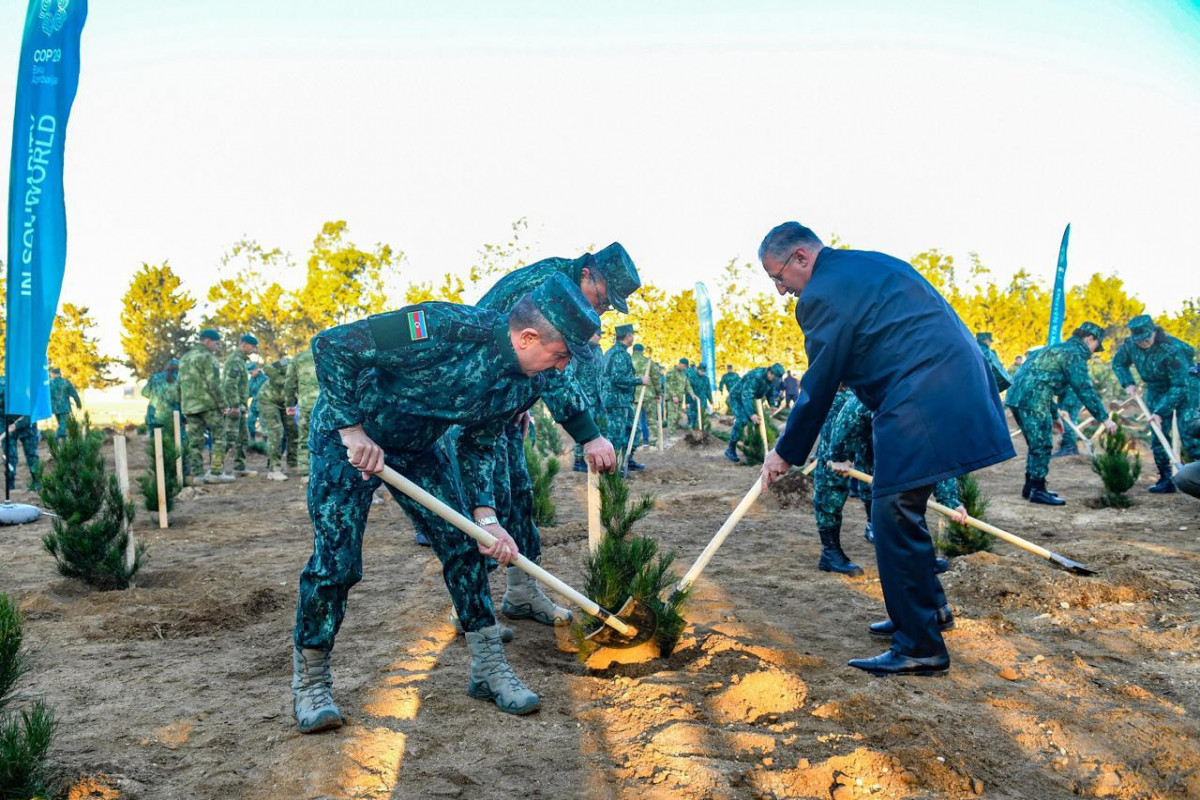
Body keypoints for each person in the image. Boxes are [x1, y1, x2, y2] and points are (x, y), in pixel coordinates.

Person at [291, 274, 601, 732]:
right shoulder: (440, 326)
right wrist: (351, 428)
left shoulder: (524, 382)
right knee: (337, 563)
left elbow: (479, 444)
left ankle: (489, 668)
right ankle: (311, 682)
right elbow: (333, 345)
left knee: (465, 546)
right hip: (347, 443)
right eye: (559, 355)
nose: (561, 367)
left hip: (417, 450)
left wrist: (487, 517)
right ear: (528, 337)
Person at [757, 221, 1015, 677]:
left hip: (924, 395)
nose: (781, 291)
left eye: (779, 277)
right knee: (904, 507)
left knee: (891, 512)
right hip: (949, 382)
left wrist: (786, 451)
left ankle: (919, 645)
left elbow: (817, 385)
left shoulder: (822, 294)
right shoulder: (866, 265)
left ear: (801, 258)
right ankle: (927, 612)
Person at [1006, 323, 1117, 504]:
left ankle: (1031, 486)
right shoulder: (1074, 354)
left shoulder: (1058, 348)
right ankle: (1038, 490)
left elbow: (1040, 381)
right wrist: (1105, 419)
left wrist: (1055, 415)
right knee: (1042, 444)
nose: (1094, 350)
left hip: (1016, 396)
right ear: (1090, 339)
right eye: (1096, 345)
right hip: (1034, 399)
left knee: (1036, 443)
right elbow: (1084, 389)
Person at [1112, 314, 1199, 493]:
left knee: (1189, 431)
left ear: (1154, 332)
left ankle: (1195, 476)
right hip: (1156, 387)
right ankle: (1166, 479)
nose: (1143, 343)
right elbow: (1118, 363)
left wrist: (1160, 411)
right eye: (1139, 340)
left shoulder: (1171, 350)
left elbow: (1179, 386)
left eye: (1146, 339)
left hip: (1185, 385)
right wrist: (1128, 382)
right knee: (1158, 432)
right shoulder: (1130, 346)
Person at [179, 330, 235, 484]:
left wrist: (182, 404)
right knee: (219, 437)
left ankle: (198, 475)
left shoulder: (185, 358)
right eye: (216, 343)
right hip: (208, 405)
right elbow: (214, 383)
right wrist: (223, 404)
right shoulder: (208, 357)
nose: (217, 347)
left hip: (190, 406)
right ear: (208, 341)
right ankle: (216, 472)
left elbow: (180, 383)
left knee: (195, 441)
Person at [602, 324, 650, 474]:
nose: (633, 338)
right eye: (632, 335)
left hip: (623, 400)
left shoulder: (615, 352)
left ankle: (627, 460)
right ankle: (614, 469)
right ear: (628, 336)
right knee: (616, 435)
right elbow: (618, 379)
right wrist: (639, 380)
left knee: (633, 429)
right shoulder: (619, 354)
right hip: (616, 401)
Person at [724, 363, 784, 463]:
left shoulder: (772, 379)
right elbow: (746, 396)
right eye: (774, 378)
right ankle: (730, 448)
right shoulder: (756, 376)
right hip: (737, 398)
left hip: (752, 399)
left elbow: (770, 391)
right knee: (742, 420)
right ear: (770, 372)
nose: (775, 381)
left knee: (758, 421)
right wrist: (751, 414)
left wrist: (772, 404)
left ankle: (756, 447)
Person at [219, 334, 258, 478]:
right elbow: (229, 384)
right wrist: (234, 405)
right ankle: (216, 469)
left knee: (242, 438)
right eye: (252, 346)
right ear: (244, 345)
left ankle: (239, 468)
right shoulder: (234, 360)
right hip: (233, 407)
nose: (254, 349)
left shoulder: (241, 361)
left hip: (240, 406)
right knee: (229, 438)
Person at [566, 333, 606, 473]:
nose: (599, 337)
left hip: (597, 397)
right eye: (597, 334)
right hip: (584, 396)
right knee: (584, 428)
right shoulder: (579, 350)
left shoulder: (599, 351)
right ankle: (578, 460)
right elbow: (572, 374)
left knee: (596, 427)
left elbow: (601, 374)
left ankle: (592, 459)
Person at [258, 357, 294, 481]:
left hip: (286, 403)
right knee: (276, 432)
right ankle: (274, 469)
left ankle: (293, 464)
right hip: (268, 400)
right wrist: (282, 381)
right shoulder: (289, 362)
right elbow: (267, 368)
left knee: (294, 431)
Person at [285, 347, 319, 477]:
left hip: (306, 404)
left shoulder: (298, 358)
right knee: (330, 438)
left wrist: (289, 403)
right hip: (326, 404)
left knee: (305, 437)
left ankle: (305, 473)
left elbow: (290, 382)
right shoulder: (330, 353)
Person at [630, 343, 662, 449]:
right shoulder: (648, 362)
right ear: (642, 351)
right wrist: (658, 393)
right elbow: (656, 379)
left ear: (633, 350)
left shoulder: (628, 360)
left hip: (634, 395)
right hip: (649, 395)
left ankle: (637, 443)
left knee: (636, 420)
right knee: (651, 420)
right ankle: (652, 443)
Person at [141, 359, 181, 431]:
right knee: (176, 441)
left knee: (155, 440)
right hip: (173, 417)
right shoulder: (179, 379)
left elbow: (144, 393)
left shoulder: (155, 377)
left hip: (153, 416)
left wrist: (156, 395)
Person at [48, 367, 82, 439]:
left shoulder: (49, 383)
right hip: (65, 407)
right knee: (63, 425)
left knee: (61, 424)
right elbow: (74, 393)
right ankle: (55, 438)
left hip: (54, 408)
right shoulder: (66, 382)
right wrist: (78, 403)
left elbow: (45, 396)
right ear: (59, 374)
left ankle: (63, 443)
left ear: (53, 374)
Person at [1051, 388, 1084, 458]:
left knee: (1068, 420)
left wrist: (1065, 408)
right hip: (1064, 396)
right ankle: (1067, 445)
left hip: (1072, 394)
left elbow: (1073, 387)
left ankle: (1069, 447)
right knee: (1064, 419)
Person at [664, 359, 691, 430]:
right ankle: (670, 434)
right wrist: (674, 395)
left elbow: (687, 384)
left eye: (686, 367)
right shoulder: (671, 372)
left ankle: (673, 432)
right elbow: (668, 384)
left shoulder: (683, 374)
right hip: (671, 398)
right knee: (672, 416)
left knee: (677, 416)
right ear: (680, 364)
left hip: (679, 398)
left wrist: (692, 394)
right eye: (684, 366)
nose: (685, 368)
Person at [247, 363, 267, 440]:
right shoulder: (251, 380)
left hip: (264, 404)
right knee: (249, 422)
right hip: (254, 404)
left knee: (264, 424)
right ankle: (252, 439)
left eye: (251, 372)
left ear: (256, 369)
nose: (250, 374)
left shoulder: (265, 379)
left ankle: (264, 443)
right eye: (249, 373)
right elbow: (248, 392)